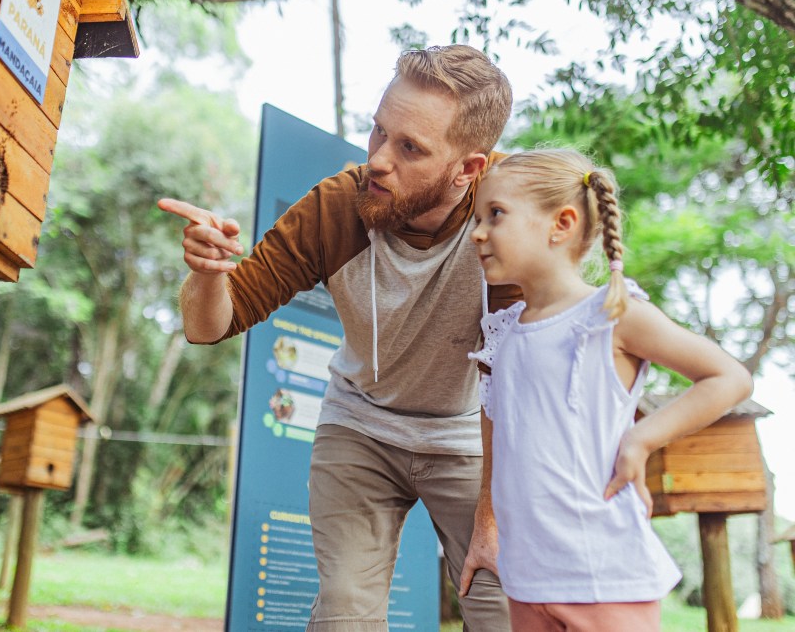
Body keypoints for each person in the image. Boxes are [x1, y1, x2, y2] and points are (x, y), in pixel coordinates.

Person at [158, 45, 518, 631]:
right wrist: (207, 274)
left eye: (410, 148)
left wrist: (493, 521)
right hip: (361, 428)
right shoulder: (338, 206)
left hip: (472, 436)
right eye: (379, 130)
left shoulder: (507, 215)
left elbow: (519, 374)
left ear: (469, 169)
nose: (377, 159)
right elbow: (209, 325)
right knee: (344, 616)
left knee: (504, 608)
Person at [468, 148, 754, 631]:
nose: (477, 232)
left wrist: (640, 441)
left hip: (606, 579)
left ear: (561, 224)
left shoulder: (610, 316)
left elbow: (730, 377)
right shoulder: (503, 333)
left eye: (495, 215)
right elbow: (500, 433)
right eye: (477, 218)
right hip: (529, 582)